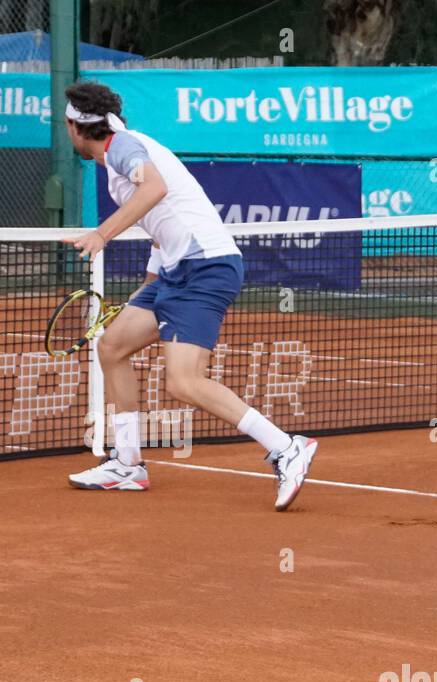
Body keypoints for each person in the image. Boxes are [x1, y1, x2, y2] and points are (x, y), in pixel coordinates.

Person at [61, 81, 318, 511]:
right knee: (112, 346)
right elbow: (162, 227)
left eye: (65, 125)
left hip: (207, 270)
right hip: (175, 273)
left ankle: (285, 447)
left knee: (183, 381)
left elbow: (155, 190)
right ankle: (127, 465)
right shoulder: (118, 153)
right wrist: (146, 287)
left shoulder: (123, 148)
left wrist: (102, 233)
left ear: (76, 127)